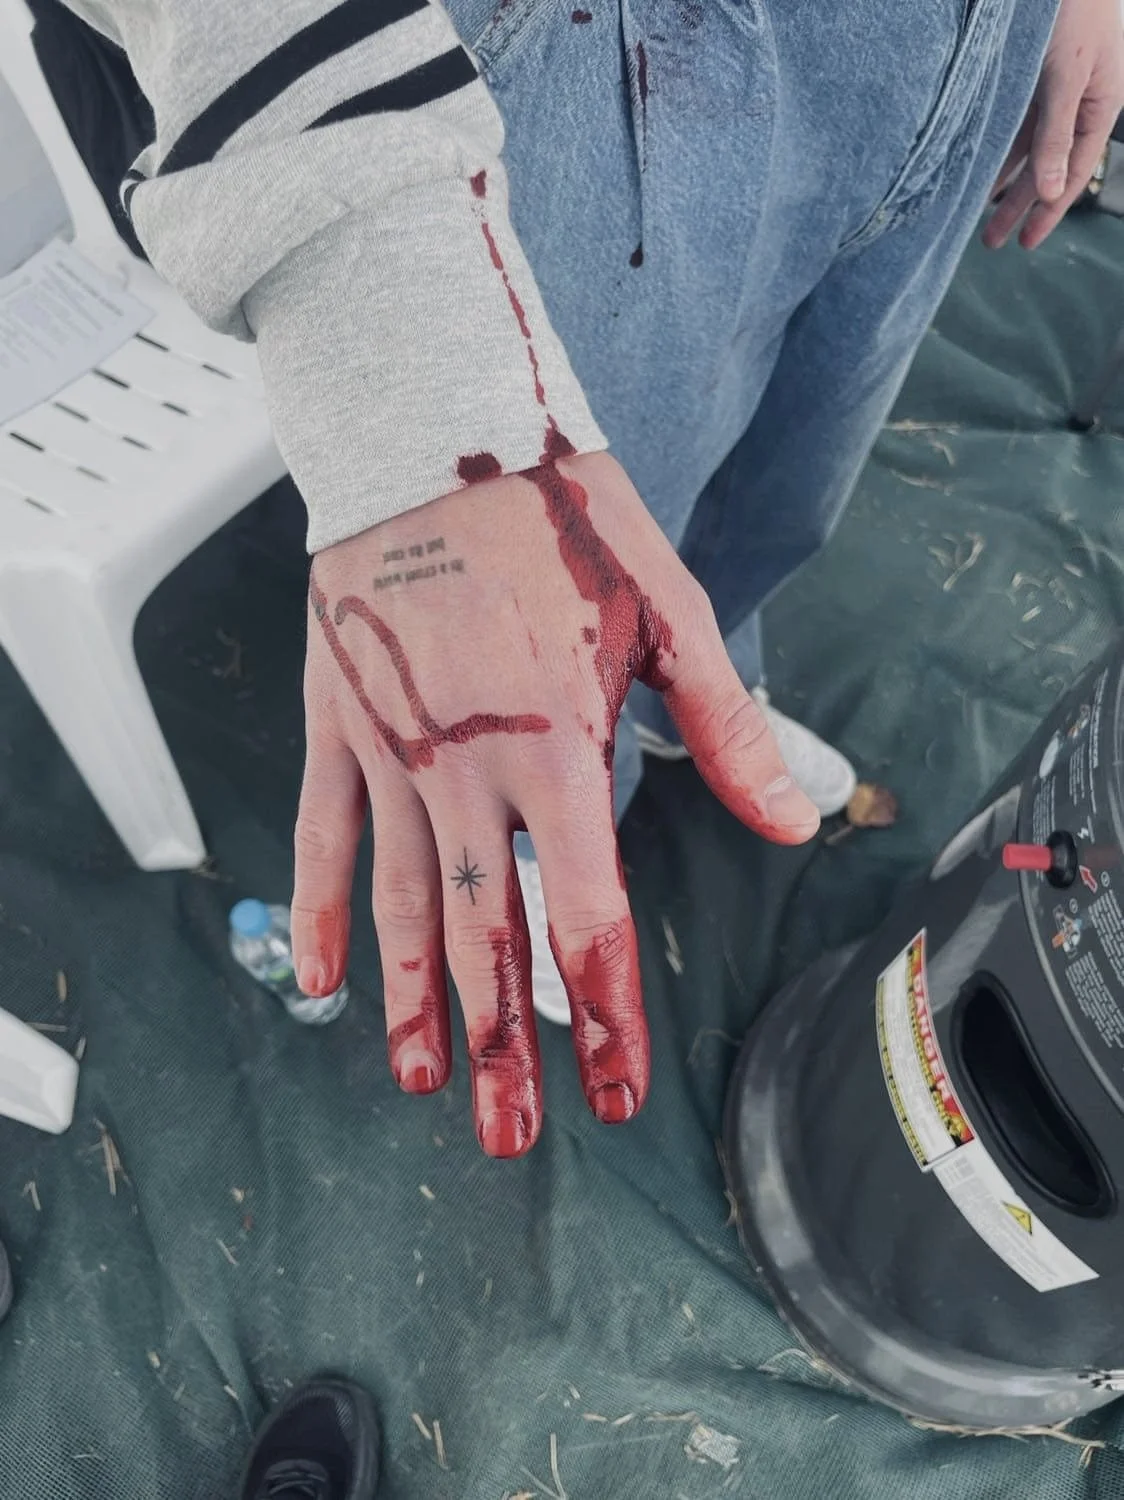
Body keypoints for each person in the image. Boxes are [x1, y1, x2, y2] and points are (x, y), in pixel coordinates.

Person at [53, 0, 1124, 1160]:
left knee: (790, 455)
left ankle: (690, 695)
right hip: (588, 50)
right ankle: (545, 827)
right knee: (575, 560)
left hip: (948, 42)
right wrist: (408, 356)